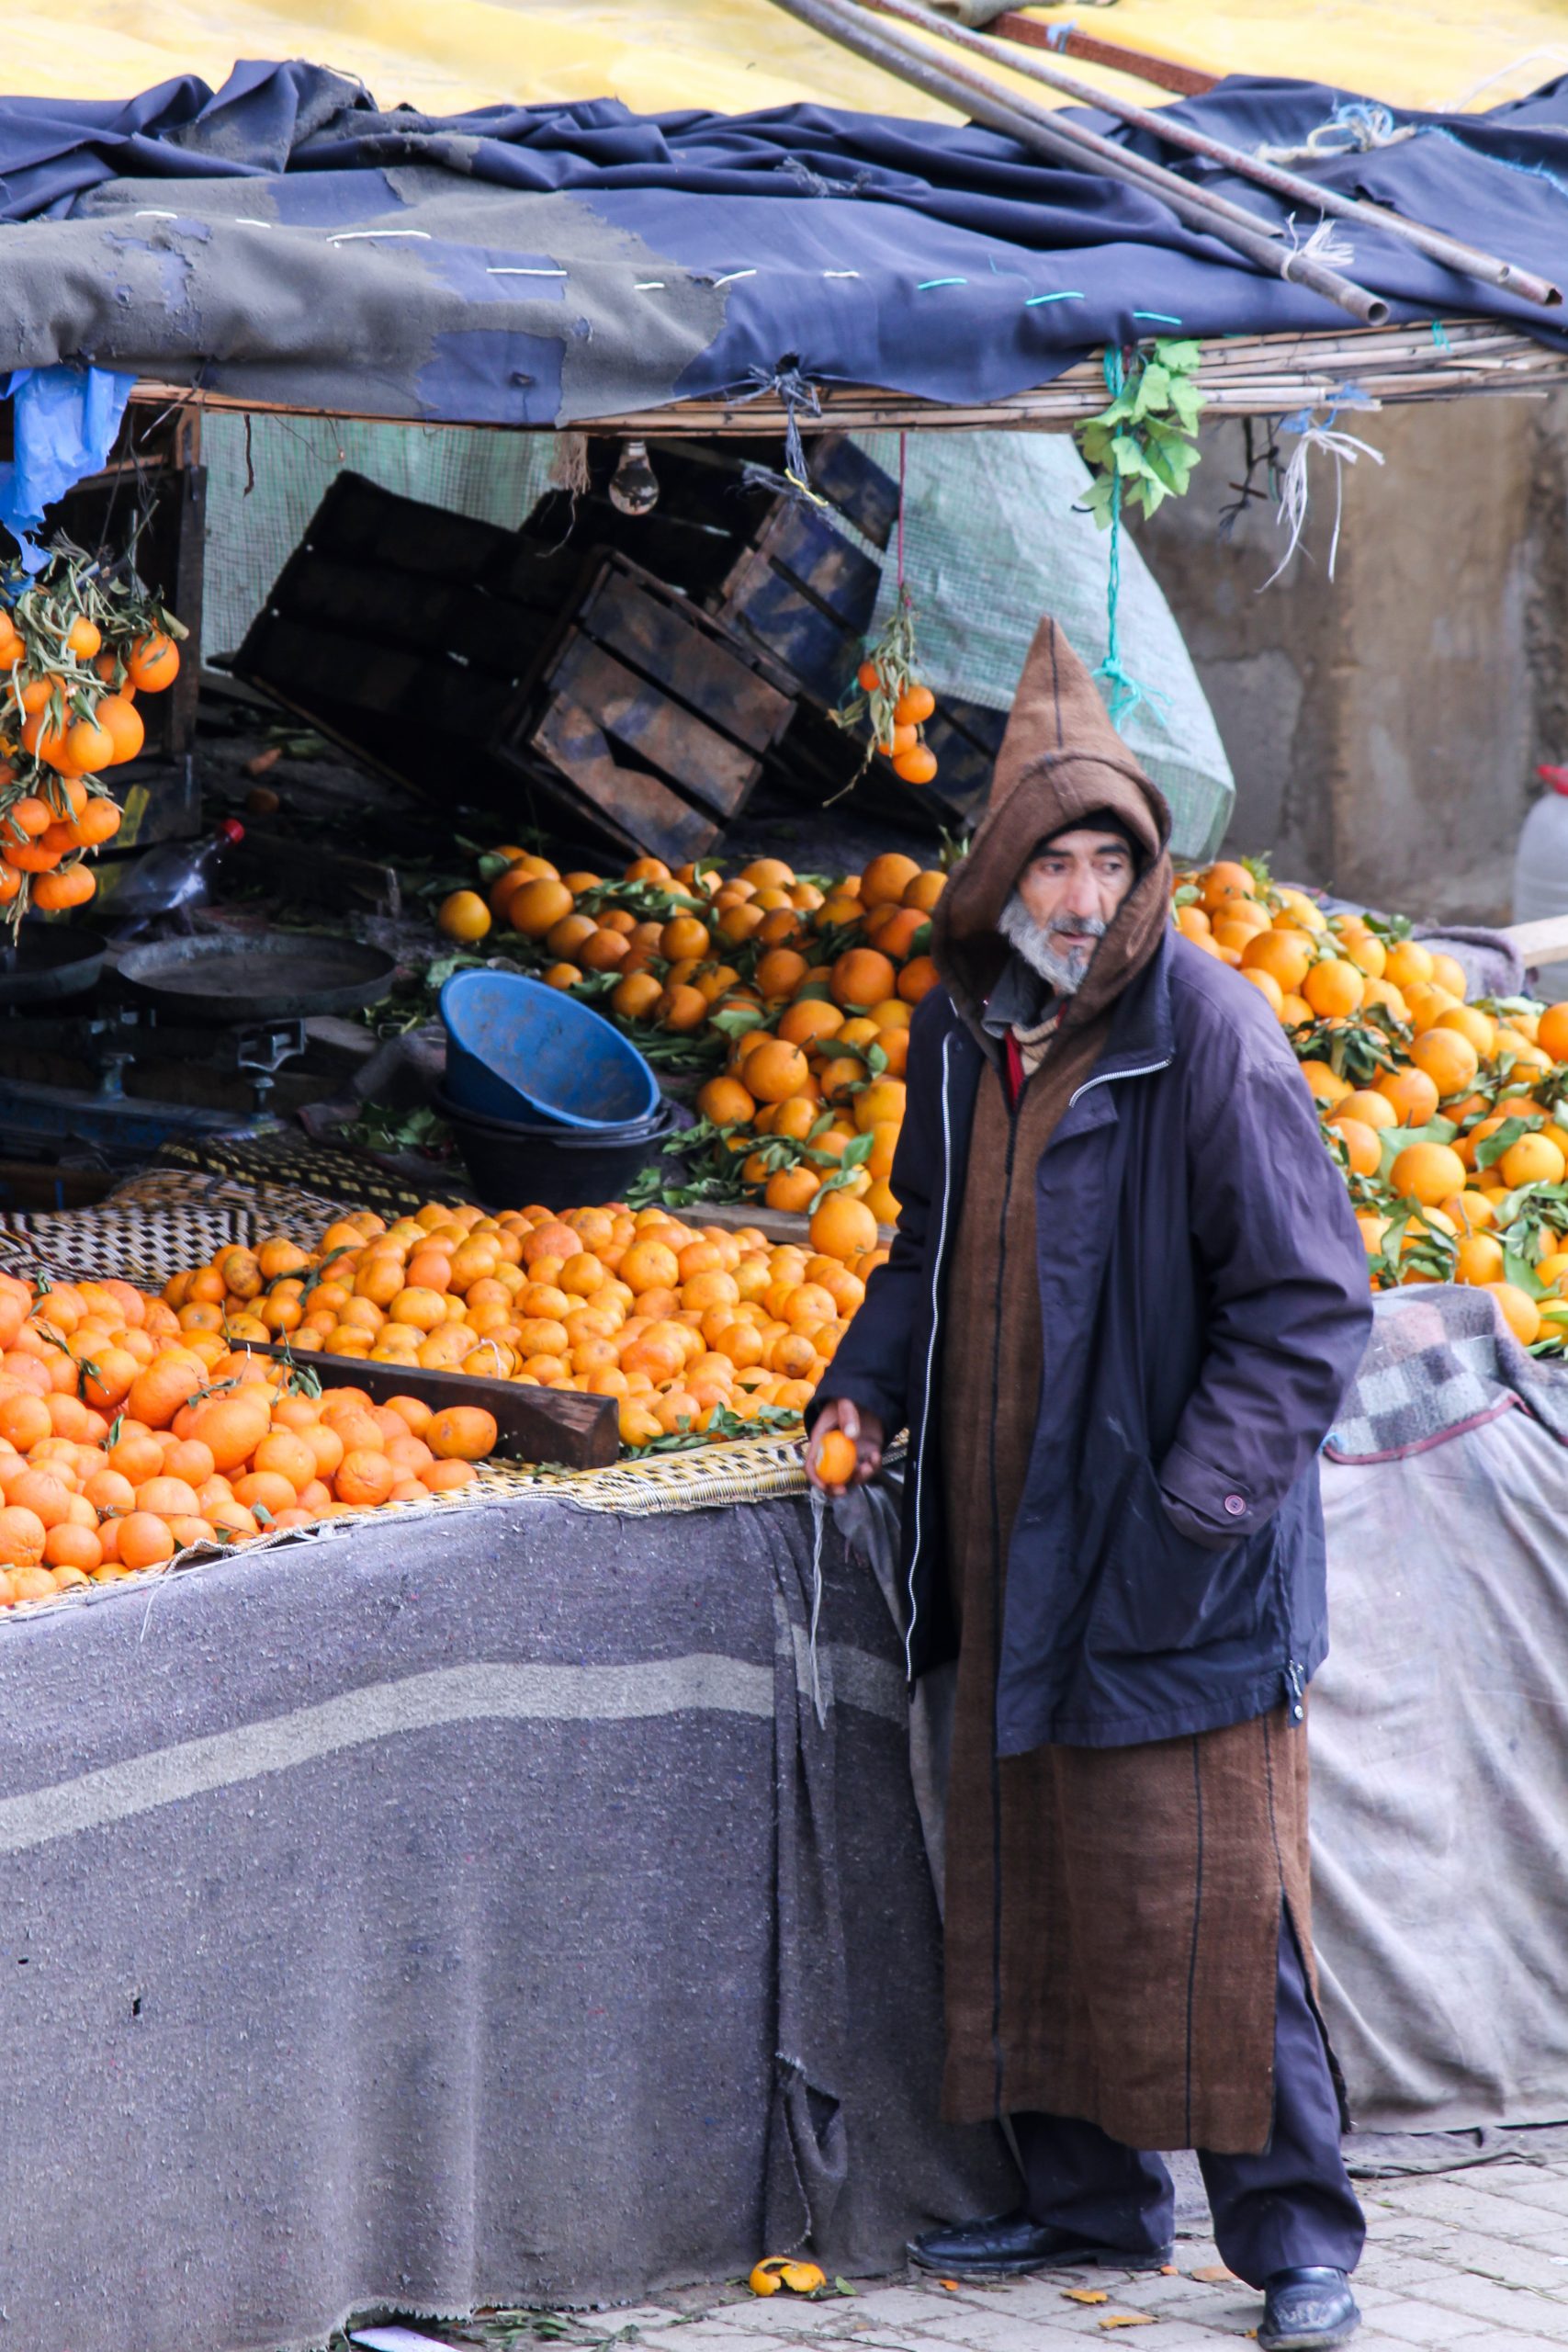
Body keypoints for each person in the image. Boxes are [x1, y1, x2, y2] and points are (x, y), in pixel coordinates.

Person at [806, 616, 1374, 2352]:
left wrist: (1198, 1505)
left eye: (1107, 861)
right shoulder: (959, 1029)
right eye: (1049, 862)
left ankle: (1299, 2246)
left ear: (1145, 873)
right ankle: (1089, 2204)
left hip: (1171, 1547)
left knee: (1205, 1890)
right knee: (1031, 1864)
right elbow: (925, 1246)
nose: (1077, 895)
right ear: (999, 878)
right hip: (1003, 1534)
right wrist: (864, 1385)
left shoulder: (1206, 1033)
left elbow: (1306, 1306)